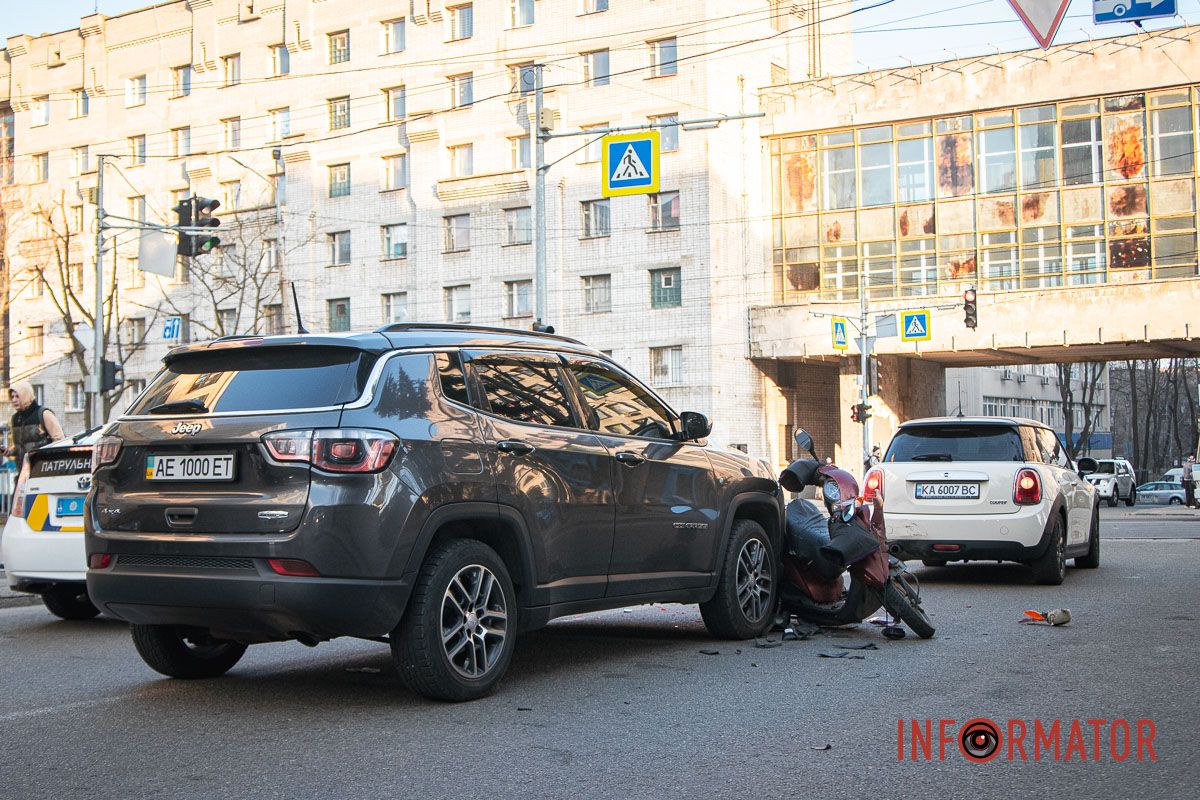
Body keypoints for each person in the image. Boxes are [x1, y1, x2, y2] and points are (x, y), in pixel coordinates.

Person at [6, 380, 64, 466]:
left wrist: (51, 463)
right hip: (23, 470)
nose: (14, 400)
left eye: (17, 396)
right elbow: (20, 447)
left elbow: (59, 440)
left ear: (26, 396)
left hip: (43, 468)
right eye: (12, 397)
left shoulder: (43, 414)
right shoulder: (15, 419)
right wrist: (9, 451)